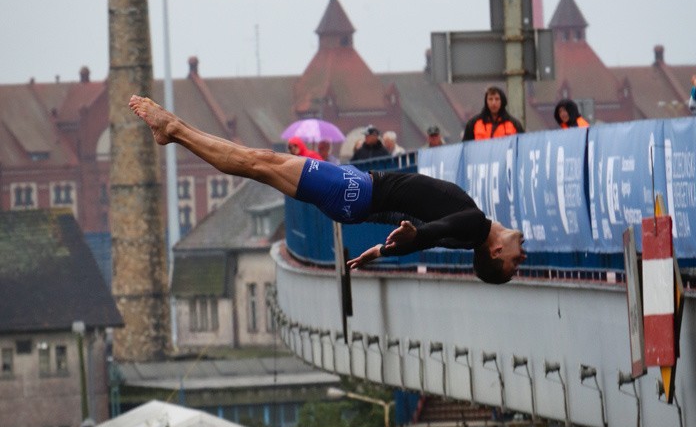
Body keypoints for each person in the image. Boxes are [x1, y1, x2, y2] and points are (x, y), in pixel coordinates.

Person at [128, 96, 527, 284]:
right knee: (259, 162)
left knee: (257, 162)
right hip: (354, 198)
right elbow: (426, 237)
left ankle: (175, 130)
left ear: (494, 252)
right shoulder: (468, 238)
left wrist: (412, 234)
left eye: (513, 263)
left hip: (354, 192)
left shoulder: (475, 225)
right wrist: (379, 251)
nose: (520, 256)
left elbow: (432, 232)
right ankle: (175, 131)